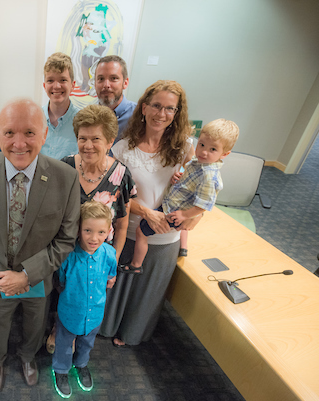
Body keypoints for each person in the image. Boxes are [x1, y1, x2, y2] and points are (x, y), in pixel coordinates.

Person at [0, 98, 80, 392]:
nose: (19, 143)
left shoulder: (65, 178)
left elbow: (66, 238)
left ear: (44, 135)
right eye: (10, 133)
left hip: (38, 275)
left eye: (29, 132)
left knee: (35, 324)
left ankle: (28, 358)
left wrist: (26, 276)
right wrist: (3, 278)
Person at [101, 80, 200, 346]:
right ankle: (108, 329)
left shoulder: (185, 151)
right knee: (118, 289)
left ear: (177, 114)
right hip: (128, 231)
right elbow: (112, 195)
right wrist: (146, 212)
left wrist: (189, 215)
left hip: (166, 236)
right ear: (144, 108)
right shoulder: (122, 149)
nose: (161, 114)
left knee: (147, 293)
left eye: (170, 109)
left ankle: (133, 334)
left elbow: (198, 192)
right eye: (156, 106)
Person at [47, 104, 135, 353]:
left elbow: (122, 222)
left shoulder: (120, 175)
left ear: (109, 141)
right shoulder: (65, 167)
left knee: (88, 298)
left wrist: (112, 263)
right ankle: (58, 326)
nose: (88, 145)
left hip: (98, 256)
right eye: (82, 138)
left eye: (95, 139)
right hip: (65, 253)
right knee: (62, 293)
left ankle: (78, 335)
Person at [126, 119, 240, 273]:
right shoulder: (197, 162)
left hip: (175, 211)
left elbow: (204, 204)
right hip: (173, 203)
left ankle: (136, 265)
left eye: (213, 149)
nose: (204, 152)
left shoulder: (209, 176)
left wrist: (184, 215)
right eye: (202, 145)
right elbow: (189, 181)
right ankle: (181, 248)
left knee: (141, 232)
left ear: (224, 154)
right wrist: (179, 177)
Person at [52, 200, 117, 398]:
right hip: (70, 311)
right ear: (78, 229)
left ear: (108, 231)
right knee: (63, 342)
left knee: (87, 342)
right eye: (88, 230)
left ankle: (81, 364)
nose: (94, 238)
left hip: (95, 313)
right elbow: (61, 280)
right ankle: (61, 370)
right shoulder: (68, 256)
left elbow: (110, 277)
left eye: (101, 233)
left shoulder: (109, 254)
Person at [41, 52, 80, 160]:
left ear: (72, 85)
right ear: (44, 85)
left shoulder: (82, 121)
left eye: (63, 80)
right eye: (50, 80)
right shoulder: (34, 118)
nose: (57, 86)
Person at [94, 55, 136, 143]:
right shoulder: (88, 117)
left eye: (113, 78)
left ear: (125, 83)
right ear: (95, 84)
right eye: (101, 79)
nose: (106, 85)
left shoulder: (138, 116)